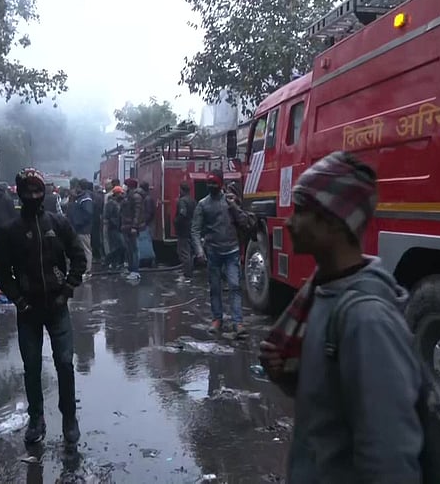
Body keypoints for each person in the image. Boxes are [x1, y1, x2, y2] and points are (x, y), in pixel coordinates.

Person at [257, 151, 424, 484]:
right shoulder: (321, 294)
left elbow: (390, 458)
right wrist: (287, 376)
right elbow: (332, 403)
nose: (289, 222)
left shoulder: (368, 319)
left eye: (302, 210)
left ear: (334, 222)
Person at [0, 168, 86, 450]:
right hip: (28, 312)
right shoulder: (9, 232)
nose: (33, 196)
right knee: (31, 367)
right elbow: (3, 274)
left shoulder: (59, 224)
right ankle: (36, 420)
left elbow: (79, 258)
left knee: (65, 364)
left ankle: (69, 419)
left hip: (58, 308)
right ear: (19, 192)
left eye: (37, 191)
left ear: (44, 192)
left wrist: (68, 290)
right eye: (28, 191)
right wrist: (19, 301)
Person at [191, 169, 253, 336]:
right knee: (215, 288)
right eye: (209, 183)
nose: (211, 186)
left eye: (214, 183)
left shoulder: (230, 201)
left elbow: (245, 222)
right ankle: (217, 319)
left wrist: (234, 205)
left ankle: (238, 322)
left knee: (234, 286)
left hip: (231, 251)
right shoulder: (203, 205)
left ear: (220, 184)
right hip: (213, 252)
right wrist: (199, 251)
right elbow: (195, 230)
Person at [67, 179, 94, 280]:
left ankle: (87, 271)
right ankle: (83, 269)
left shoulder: (85, 199)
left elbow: (88, 214)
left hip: (83, 229)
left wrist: (78, 223)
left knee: (86, 249)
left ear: (79, 187)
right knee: (81, 249)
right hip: (78, 228)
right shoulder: (80, 198)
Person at [120, 178, 144, 281]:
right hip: (127, 226)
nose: (124, 187)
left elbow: (137, 213)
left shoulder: (136, 197)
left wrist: (134, 226)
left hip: (131, 227)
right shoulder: (128, 196)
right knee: (129, 249)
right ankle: (131, 269)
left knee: (134, 249)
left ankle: (135, 271)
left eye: (125, 185)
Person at [174, 181, 196, 283]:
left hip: (183, 230)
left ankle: (187, 275)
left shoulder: (182, 201)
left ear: (182, 190)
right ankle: (189, 272)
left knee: (184, 252)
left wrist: (176, 221)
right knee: (189, 253)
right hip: (191, 229)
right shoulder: (193, 201)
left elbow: (182, 213)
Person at [104, 185, 126, 270]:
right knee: (118, 246)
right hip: (113, 228)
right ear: (116, 193)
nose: (122, 195)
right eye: (121, 193)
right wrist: (114, 223)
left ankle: (113, 263)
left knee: (119, 246)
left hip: (119, 227)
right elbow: (108, 216)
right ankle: (109, 261)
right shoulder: (111, 203)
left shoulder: (119, 202)